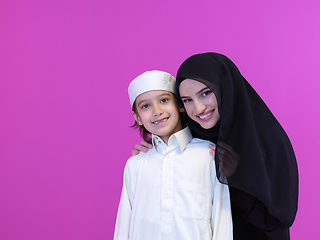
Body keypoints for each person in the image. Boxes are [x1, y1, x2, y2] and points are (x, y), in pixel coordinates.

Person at [132, 53, 299, 240]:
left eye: (205, 93)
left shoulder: (265, 139)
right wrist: (157, 152)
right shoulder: (194, 140)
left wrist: (237, 176)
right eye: (187, 100)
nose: (199, 108)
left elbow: (277, 219)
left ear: (225, 88)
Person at [114, 70, 233, 240]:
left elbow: (222, 222)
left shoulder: (209, 155)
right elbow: (123, 226)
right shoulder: (135, 164)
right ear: (138, 117)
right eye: (145, 106)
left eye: (164, 100)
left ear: (179, 105)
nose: (157, 111)